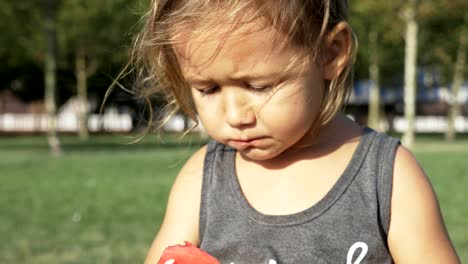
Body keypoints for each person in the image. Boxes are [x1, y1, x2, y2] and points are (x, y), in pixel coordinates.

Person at [130, 0, 460, 263]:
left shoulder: (386, 177)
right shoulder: (202, 180)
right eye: (208, 89)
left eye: (259, 86)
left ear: (330, 53)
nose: (234, 115)